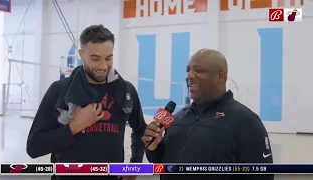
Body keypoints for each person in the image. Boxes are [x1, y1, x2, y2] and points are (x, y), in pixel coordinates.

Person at [27, 25, 147, 180]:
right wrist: (76, 126)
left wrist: (133, 166)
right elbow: (34, 147)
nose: (103, 66)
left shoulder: (125, 90)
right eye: (95, 58)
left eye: (108, 58)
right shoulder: (59, 90)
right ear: (81, 54)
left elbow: (140, 129)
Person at [142, 49, 274, 180]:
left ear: (220, 76)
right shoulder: (178, 119)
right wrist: (153, 148)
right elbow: (163, 164)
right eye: (188, 70)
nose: (189, 76)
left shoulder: (246, 122)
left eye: (198, 70)